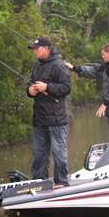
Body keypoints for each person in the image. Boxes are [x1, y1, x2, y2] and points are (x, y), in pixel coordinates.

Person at [65, 43, 109, 153]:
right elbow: (93, 71)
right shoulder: (107, 66)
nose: (102, 57)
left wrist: (104, 104)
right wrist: (74, 68)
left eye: (103, 54)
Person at [27, 37, 71, 186]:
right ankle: (39, 182)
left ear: (47, 48)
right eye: (33, 49)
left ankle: (62, 182)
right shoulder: (37, 66)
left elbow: (66, 88)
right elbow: (29, 86)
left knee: (58, 154)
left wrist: (47, 87)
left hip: (56, 120)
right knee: (39, 154)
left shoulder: (59, 65)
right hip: (39, 120)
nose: (35, 52)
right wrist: (30, 91)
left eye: (37, 49)